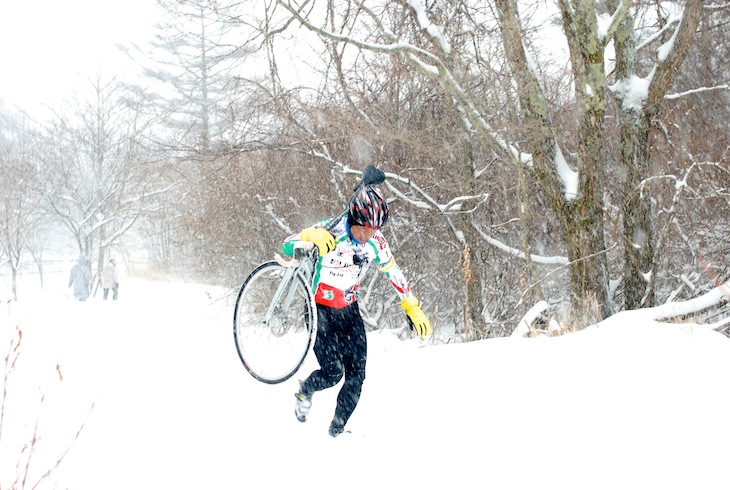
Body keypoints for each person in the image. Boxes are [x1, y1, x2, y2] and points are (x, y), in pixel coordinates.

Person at [282, 185, 431, 437]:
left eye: (373, 230)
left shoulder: (376, 243)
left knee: (357, 376)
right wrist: (310, 235)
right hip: (320, 312)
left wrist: (411, 305)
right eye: (363, 228)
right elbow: (288, 246)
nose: (367, 235)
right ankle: (306, 389)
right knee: (333, 373)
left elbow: (393, 272)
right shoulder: (330, 230)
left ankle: (336, 432)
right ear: (353, 218)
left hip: (349, 312)